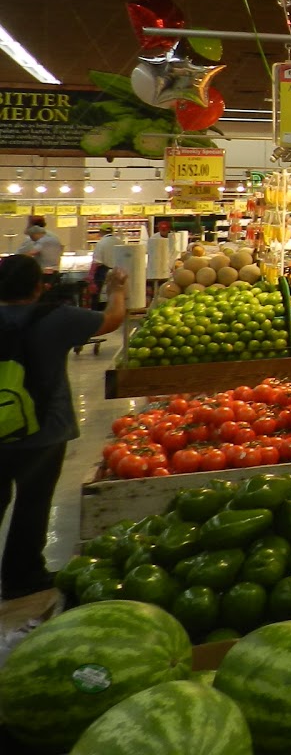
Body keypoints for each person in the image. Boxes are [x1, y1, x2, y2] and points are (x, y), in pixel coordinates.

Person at [0, 254, 126, 599]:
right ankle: (22, 574)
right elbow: (112, 319)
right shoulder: (57, 318)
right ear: (40, 287)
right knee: (33, 502)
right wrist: (117, 290)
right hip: (43, 430)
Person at [13, 219, 63, 288]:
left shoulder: (41, 241)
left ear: (36, 234)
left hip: (44, 271)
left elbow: (32, 252)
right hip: (55, 270)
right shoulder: (54, 239)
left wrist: (18, 259)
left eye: (32, 236)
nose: (32, 238)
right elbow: (61, 250)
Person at [90, 226, 122, 301]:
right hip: (118, 272)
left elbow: (96, 262)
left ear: (101, 232)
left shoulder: (101, 243)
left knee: (100, 297)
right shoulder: (120, 242)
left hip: (104, 272)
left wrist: (90, 276)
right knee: (115, 296)